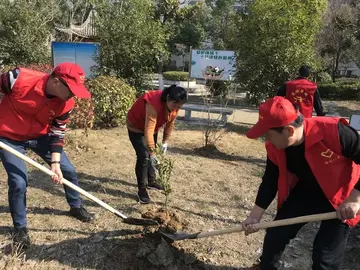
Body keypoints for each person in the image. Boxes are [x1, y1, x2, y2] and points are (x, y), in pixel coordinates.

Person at [242, 96, 360, 270]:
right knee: (276, 235)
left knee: (324, 256)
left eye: (269, 135)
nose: (267, 140)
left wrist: (355, 199)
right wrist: (254, 216)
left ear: (289, 131)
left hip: (341, 196)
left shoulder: (334, 132)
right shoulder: (276, 147)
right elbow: (270, 180)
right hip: (307, 191)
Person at [0, 62, 94, 248]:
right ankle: (20, 228)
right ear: (57, 82)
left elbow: (58, 131)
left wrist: (56, 163)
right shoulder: (18, 79)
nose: (74, 94)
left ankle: (75, 206)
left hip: (40, 136)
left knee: (68, 170)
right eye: (72, 89)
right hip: (9, 137)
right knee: (18, 182)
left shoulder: (66, 102)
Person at [127, 85, 187, 204]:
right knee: (144, 156)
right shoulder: (153, 104)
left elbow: (170, 123)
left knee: (151, 154)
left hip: (152, 127)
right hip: (136, 126)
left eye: (179, 106)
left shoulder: (175, 104)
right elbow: (148, 129)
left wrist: (165, 142)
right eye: (174, 105)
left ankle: (151, 181)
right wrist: (151, 152)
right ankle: (142, 190)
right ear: (168, 99)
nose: (176, 108)